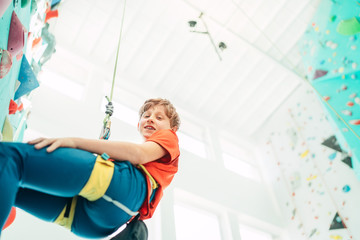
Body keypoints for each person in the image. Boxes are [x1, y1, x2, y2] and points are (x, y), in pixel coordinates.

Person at [0, 98, 180, 239]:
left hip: (122, 192)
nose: (150, 119)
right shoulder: (151, 164)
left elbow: (138, 154)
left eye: (159, 117)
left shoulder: (169, 137)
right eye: (146, 115)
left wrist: (73, 142)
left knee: (10, 158)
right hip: (97, 224)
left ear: (173, 128)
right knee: (10, 184)